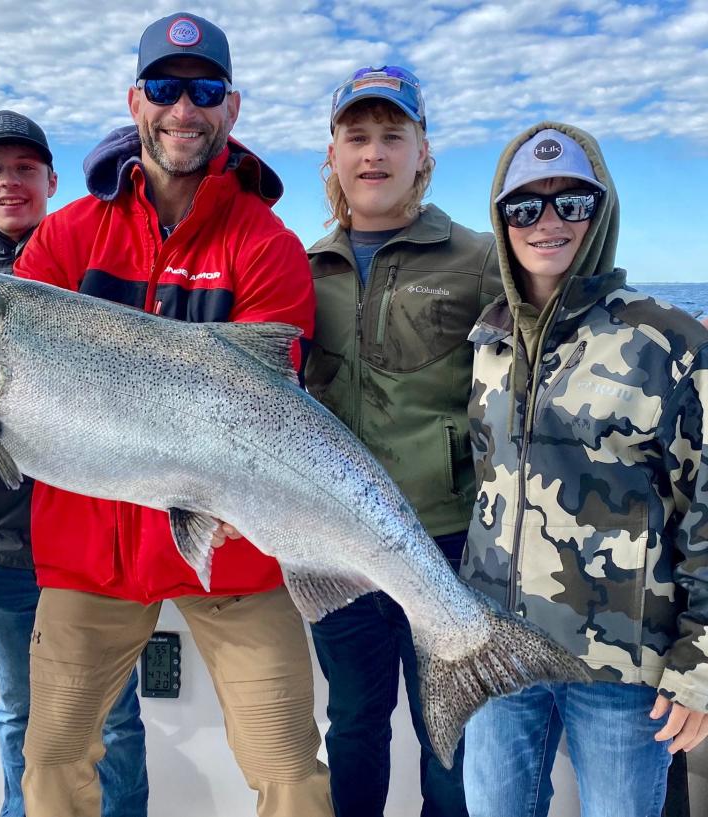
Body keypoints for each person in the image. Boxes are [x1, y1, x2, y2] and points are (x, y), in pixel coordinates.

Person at [12, 12, 333, 817]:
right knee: (52, 763)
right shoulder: (65, 238)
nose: (182, 109)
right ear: (134, 100)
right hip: (90, 551)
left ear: (231, 106)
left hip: (235, 552)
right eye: (164, 87)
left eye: (203, 90)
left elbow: (264, 405)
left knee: (291, 769)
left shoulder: (266, 245)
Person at [460, 122, 708, 816]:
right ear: (501, 220)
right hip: (496, 653)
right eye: (525, 206)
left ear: (600, 213)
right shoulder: (488, 339)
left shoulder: (669, 340)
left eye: (571, 201)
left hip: (620, 667)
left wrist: (698, 668)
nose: (548, 222)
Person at [303, 66, 500, 817]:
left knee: (447, 737)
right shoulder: (306, 266)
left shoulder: (478, 256)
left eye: (393, 135)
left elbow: (564, 318)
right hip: (335, 551)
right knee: (353, 727)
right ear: (334, 155)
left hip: (446, 542)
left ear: (424, 153)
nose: (374, 153)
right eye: (358, 137)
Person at [0, 111, 149, 817]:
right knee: (19, 716)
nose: (10, 182)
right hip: (5, 546)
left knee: (115, 722)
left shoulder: (92, 269)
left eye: (25, 169)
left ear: (51, 181)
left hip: (99, 542)